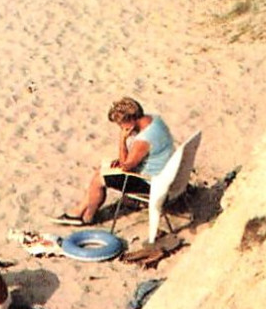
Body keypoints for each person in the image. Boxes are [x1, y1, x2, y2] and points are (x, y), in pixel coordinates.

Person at [53, 97, 175, 226]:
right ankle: (80, 211)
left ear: (131, 121)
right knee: (103, 169)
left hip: (151, 183)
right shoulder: (155, 120)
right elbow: (146, 153)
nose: (121, 128)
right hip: (164, 173)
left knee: (99, 179)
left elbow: (126, 166)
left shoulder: (143, 140)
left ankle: (86, 217)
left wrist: (122, 140)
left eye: (121, 124)